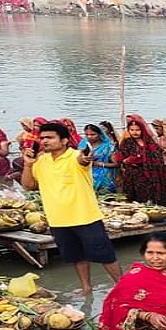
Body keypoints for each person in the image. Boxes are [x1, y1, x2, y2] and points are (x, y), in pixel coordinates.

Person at [20, 121, 122, 295]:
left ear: (65, 140)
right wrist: (28, 164)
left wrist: (85, 158)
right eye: (42, 138)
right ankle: (86, 288)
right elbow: (29, 186)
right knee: (76, 257)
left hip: (85, 217)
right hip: (58, 219)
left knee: (105, 256)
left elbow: (83, 160)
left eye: (50, 137)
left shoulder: (75, 156)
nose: (45, 141)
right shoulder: (41, 161)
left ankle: (123, 287)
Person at [116, 115, 166, 205]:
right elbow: (121, 158)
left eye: (137, 130)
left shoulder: (149, 142)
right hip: (134, 175)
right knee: (135, 199)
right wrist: (129, 160)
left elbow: (158, 157)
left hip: (151, 175)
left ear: (142, 130)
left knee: (151, 197)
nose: (134, 132)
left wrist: (144, 158)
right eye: (132, 130)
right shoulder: (127, 142)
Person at [79, 123, 119, 193]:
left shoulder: (109, 147)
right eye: (87, 135)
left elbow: (116, 164)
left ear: (100, 135)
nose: (89, 137)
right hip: (86, 176)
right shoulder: (83, 145)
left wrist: (98, 163)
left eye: (93, 134)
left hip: (104, 178)